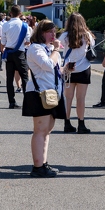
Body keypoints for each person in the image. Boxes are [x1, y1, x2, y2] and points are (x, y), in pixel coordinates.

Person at [23, 19, 65, 178]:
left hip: (52, 94)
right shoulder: (35, 48)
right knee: (40, 130)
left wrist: (65, 68)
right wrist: (55, 50)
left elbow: (53, 69)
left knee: (47, 131)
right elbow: (47, 65)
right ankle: (37, 166)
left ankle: (43, 163)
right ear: (41, 33)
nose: (53, 35)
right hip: (39, 94)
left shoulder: (47, 49)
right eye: (50, 32)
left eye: (54, 32)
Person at [59, 12, 95, 133]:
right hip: (84, 68)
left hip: (68, 69)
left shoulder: (64, 36)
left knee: (68, 98)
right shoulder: (88, 36)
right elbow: (92, 46)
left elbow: (59, 47)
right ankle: (81, 124)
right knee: (81, 98)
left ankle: (67, 123)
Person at [1, 5, 31, 109]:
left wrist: (3, 51)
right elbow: (28, 41)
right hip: (20, 52)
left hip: (9, 52)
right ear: (20, 14)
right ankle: (27, 102)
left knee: (9, 78)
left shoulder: (5, 25)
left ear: (10, 13)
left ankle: (11, 102)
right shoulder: (24, 25)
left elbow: (3, 42)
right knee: (25, 77)